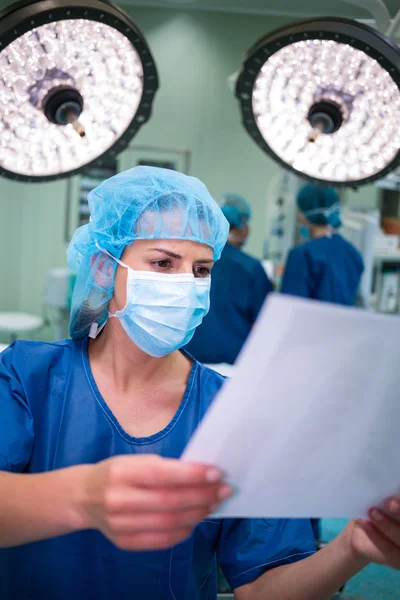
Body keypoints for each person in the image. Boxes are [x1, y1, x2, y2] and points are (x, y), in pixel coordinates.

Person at [0, 167, 399, 600]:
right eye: (162, 263)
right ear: (103, 266)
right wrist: (84, 497)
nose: (185, 285)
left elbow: (263, 588)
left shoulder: (233, 411)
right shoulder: (27, 377)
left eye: (201, 269)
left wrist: (350, 547)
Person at [281, 184, 364, 542]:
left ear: (302, 214)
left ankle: (298, 538)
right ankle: (312, 532)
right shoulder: (352, 254)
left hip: (308, 365)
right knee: (318, 451)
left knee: (295, 452)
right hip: (341, 362)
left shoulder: (303, 256)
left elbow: (289, 316)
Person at [186, 193, 273, 365]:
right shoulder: (250, 267)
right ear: (242, 226)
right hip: (234, 364)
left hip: (186, 360)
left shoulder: (189, 260)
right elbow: (266, 324)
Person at [281, 184, 364, 305]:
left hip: (309, 323)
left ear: (305, 215)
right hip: (342, 323)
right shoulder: (352, 253)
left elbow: (288, 307)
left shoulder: (302, 255)